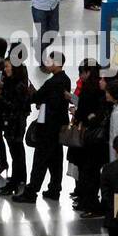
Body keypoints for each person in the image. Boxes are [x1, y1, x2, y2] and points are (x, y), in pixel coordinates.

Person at [12, 57, 71, 203]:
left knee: (40, 160)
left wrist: (33, 94)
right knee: (56, 159)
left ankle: (31, 192)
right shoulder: (66, 79)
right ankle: (54, 189)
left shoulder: (52, 82)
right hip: (59, 126)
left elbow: (39, 97)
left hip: (47, 127)